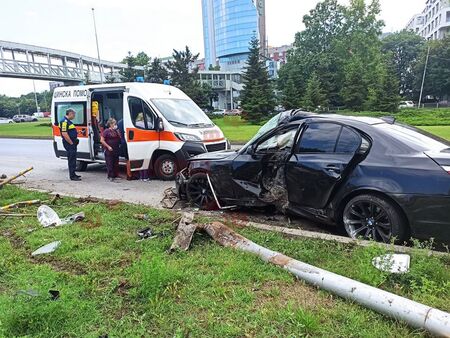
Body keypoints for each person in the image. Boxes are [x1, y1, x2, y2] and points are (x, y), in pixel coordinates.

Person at [60, 108, 80, 181]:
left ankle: (74, 174)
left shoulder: (68, 121)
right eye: (74, 114)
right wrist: (71, 143)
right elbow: (64, 134)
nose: (74, 116)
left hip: (72, 142)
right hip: (69, 143)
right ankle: (72, 176)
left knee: (73, 159)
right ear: (70, 113)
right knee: (71, 159)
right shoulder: (64, 122)